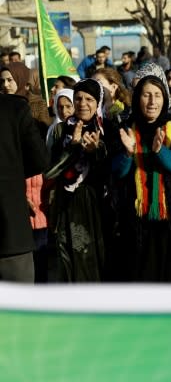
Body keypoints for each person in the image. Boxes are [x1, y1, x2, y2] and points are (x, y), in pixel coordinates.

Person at [111, 75, 171, 281]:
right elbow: (117, 173)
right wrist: (128, 154)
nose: (152, 102)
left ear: (165, 99)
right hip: (136, 220)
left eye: (157, 95)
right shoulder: (126, 127)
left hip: (170, 219)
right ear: (137, 97)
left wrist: (160, 152)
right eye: (147, 95)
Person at [46, 79, 109, 281]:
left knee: (95, 263)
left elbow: (111, 173)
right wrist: (72, 147)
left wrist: (96, 152)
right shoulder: (61, 130)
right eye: (78, 98)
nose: (82, 103)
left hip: (96, 208)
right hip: (67, 204)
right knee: (69, 263)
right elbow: (50, 171)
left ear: (98, 102)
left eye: (89, 99)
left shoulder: (107, 129)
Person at [0, 94, 49, 282]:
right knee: (18, 307)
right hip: (11, 230)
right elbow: (40, 159)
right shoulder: (14, 108)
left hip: (12, 237)